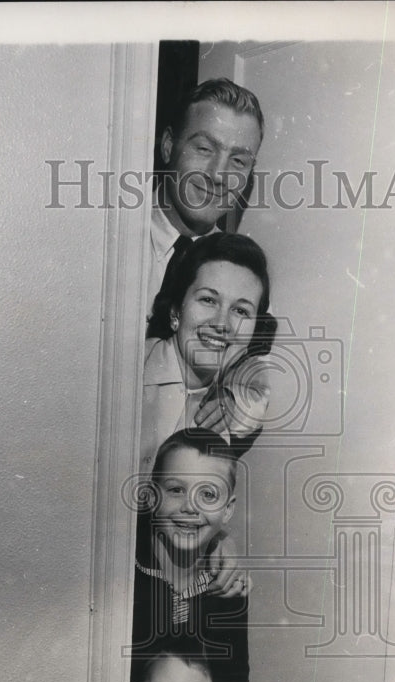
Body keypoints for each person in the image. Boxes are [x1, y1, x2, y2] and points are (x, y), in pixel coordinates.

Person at [130, 429, 249, 682]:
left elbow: (232, 680)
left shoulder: (226, 588)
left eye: (208, 494)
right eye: (176, 490)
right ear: (152, 496)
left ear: (228, 509)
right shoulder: (126, 562)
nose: (190, 507)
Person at [140, 232, 277, 475]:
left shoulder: (232, 396)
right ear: (175, 312)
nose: (222, 323)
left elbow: (258, 388)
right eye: (208, 300)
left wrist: (234, 400)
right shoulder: (131, 368)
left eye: (241, 311)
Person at [148, 78, 265, 313]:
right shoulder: (108, 243)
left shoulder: (244, 274)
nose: (218, 174)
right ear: (169, 146)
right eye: (204, 149)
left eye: (238, 161)